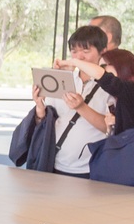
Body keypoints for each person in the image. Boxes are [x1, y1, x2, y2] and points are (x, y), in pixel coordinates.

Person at [30, 24, 112, 177]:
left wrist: (81, 107)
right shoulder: (65, 79)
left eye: (86, 51)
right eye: (74, 51)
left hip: (89, 168)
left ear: (102, 52)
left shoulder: (111, 86)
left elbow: (110, 128)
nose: (79, 57)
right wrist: (40, 107)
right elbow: (47, 120)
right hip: (53, 162)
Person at [56, 47, 134, 133]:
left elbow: (104, 77)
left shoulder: (132, 89)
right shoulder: (133, 92)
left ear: (121, 66)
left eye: (104, 66)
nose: (102, 70)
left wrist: (74, 62)